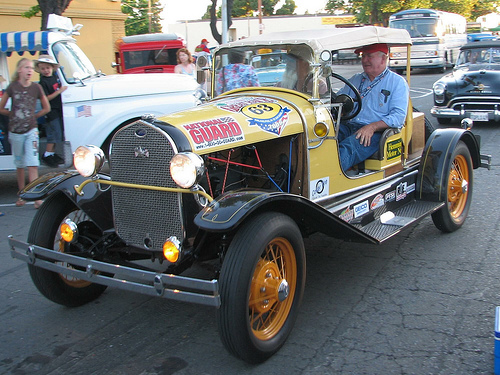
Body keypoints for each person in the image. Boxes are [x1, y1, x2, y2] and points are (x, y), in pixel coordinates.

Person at [336, 43, 409, 172]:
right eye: (363, 56)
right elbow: (339, 100)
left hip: (376, 132)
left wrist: (372, 126)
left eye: (369, 56)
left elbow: (398, 117)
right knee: (324, 139)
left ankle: (327, 180)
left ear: (383, 58)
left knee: (348, 147)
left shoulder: (397, 82)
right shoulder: (356, 80)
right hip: (349, 125)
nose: (364, 60)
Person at [0, 58, 50, 208]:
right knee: (20, 165)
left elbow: (46, 107)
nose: (29, 70)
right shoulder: (12, 87)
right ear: (20, 70)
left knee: (33, 164)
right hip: (15, 131)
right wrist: (11, 114)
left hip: (31, 130)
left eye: (31, 68)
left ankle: (36, 197)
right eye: (26, 67)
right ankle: (22, 195)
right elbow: (1, 107)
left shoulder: (36, 88)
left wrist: (34, 116)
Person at [35, 54, 67, 167]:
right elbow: (45, 98)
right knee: (53, 133)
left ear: (52, 68)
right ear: (39, 70)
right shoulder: (42, 83)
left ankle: (52, 154)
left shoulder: (55, 78)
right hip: (50, 111)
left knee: (58, 133)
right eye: (43, 68)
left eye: (48, 68)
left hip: (57, 109)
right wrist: (59, 91)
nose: (46, 70)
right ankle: (47, 155)